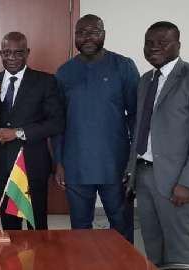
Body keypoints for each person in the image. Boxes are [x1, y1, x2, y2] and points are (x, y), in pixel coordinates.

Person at [125, 21, 189, 265]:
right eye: (149, 43)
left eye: (162, 42)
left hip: (176, 181)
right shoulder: (146, 80)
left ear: (178, 45)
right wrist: (132, 173)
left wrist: (187, 182)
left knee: (178, 252)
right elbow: (140, 130)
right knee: (152, 246)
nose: (154, 48)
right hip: (144, 176)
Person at [51, 14, 138, 243]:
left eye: (94, 32)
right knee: (80, 230)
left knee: (121, 226)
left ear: (104, 35)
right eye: (81, 33)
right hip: (75, 163)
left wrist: (132, 161)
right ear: (75, 37)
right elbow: (58, 121)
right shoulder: (64, 72)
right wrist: (58, 162)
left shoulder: (124, 66)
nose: (87, 37)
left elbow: (136, 116)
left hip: (115, 164)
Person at [0, 32, 65, 230]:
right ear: (1, 53)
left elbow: (56, 123)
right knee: (9, 227)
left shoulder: (45, 81)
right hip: (2, 167)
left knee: (37, 226)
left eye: (18, 53)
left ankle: (41, 261)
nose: (12, 58)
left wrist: (18, 132)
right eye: (7, 53)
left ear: (27, 52)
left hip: (33, 165)